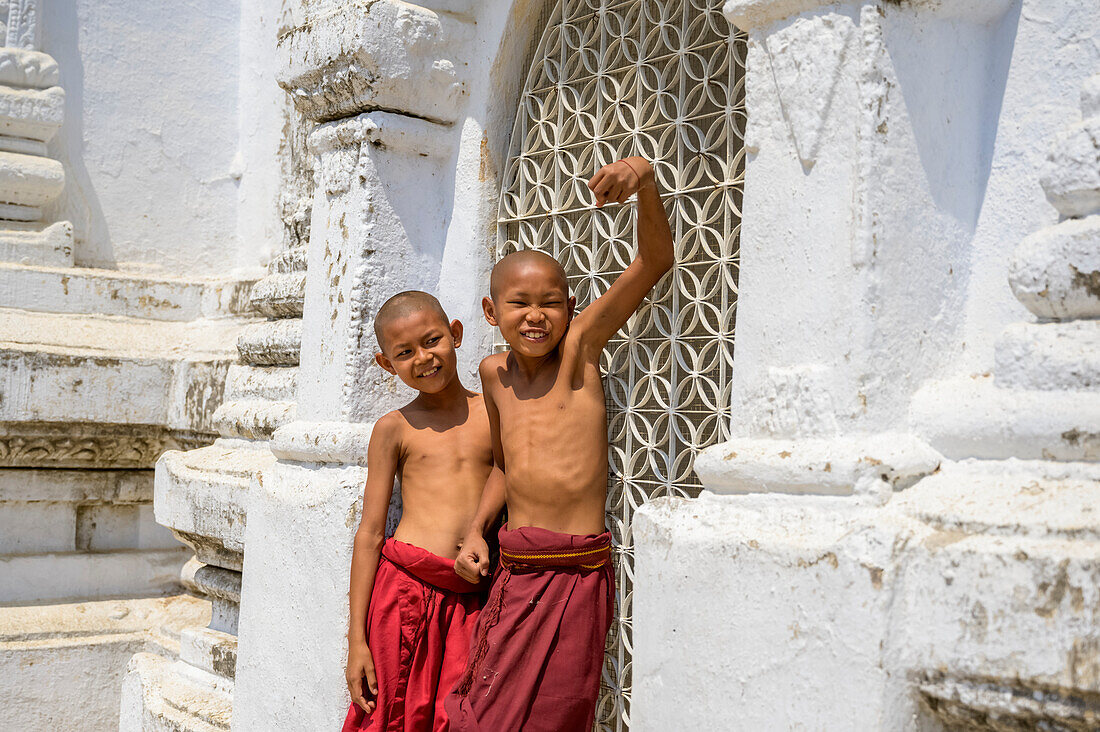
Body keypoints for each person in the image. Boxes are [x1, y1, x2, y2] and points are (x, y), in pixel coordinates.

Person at [446, 156, 675, 731]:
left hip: (577, 571)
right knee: (486, 713)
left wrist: (643, 180)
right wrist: (477, 528)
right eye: (520, 304)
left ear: (570, 309)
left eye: (550, 302)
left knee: (558, 716)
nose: (536, 315)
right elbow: (504, 464)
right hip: (517, 568)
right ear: (490, 312)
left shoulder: (580, 351)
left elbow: (654, 262)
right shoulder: (492, 375)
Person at [342, 291, 495, 732]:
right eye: (405, 353)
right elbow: (370, 534)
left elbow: (506, 475)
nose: (424, 358)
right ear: (387, 363)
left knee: (458, 718)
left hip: (472, 595)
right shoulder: (394, 428)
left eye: (432, 341)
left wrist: (479, 530)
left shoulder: (493, 413)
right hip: (404, 592)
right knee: (390, 716)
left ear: (456, 334)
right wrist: (357, 641)